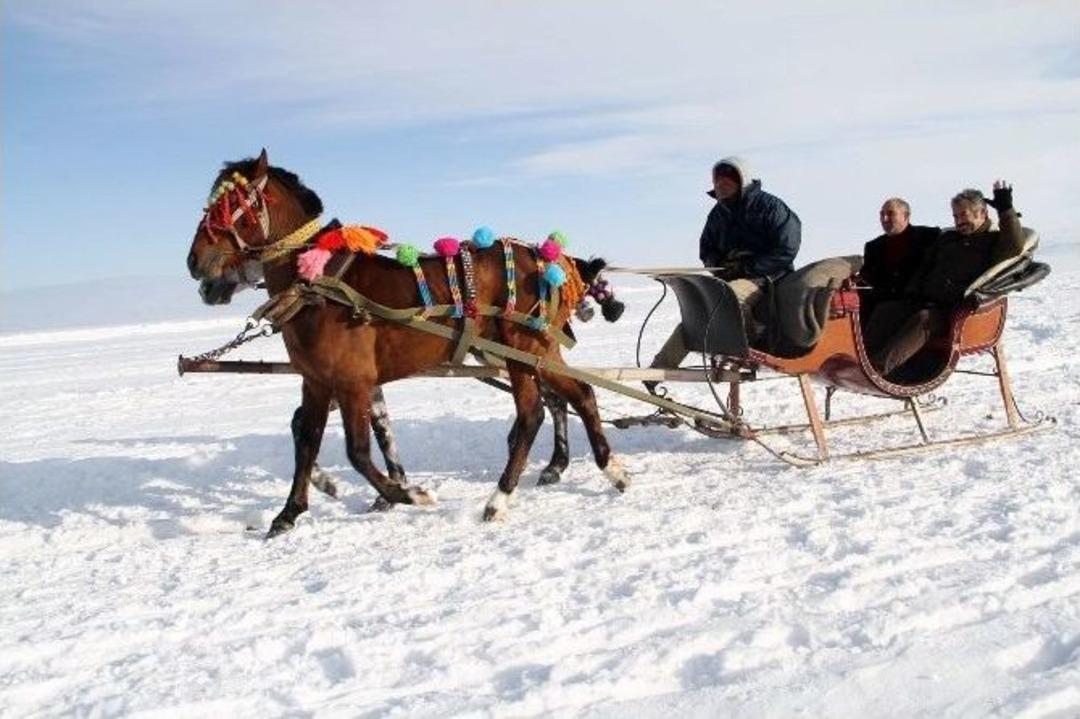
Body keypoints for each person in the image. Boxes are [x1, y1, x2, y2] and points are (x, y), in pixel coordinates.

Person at [649, 156, 801, 372]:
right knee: (698, 313)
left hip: (768, 278)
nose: (721, 185)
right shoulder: (718, 214)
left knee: (729, 297)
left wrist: (746, 267)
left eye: (727, 181)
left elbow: (787, 248)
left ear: (742, 181)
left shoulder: (771, 207)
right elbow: (707, 249)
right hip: (731, 278)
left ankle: (747, 349)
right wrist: (719, 264)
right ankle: (659, 369)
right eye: (718, 181)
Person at [864, 181, 1026, 376]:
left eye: (963, 215)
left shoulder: (991, 243)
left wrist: (1006, 209)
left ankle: (877, 370)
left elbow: (1015, 246)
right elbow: (925, 266)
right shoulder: (948, 239)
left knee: (924, 320)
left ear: (982, 213)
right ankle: (861, 361)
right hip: (924, 300)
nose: (959, 221)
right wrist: (911, 292)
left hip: (952, 310)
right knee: (886, 310)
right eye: (955, 216)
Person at [859, 197, 939, 303]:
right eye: (882, 214)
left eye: (890, 214)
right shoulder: (873, 247)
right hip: (885, 305)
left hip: (920, 303)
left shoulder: (929, 236)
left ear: (906, 216)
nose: (884, 219)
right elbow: (867, 279)